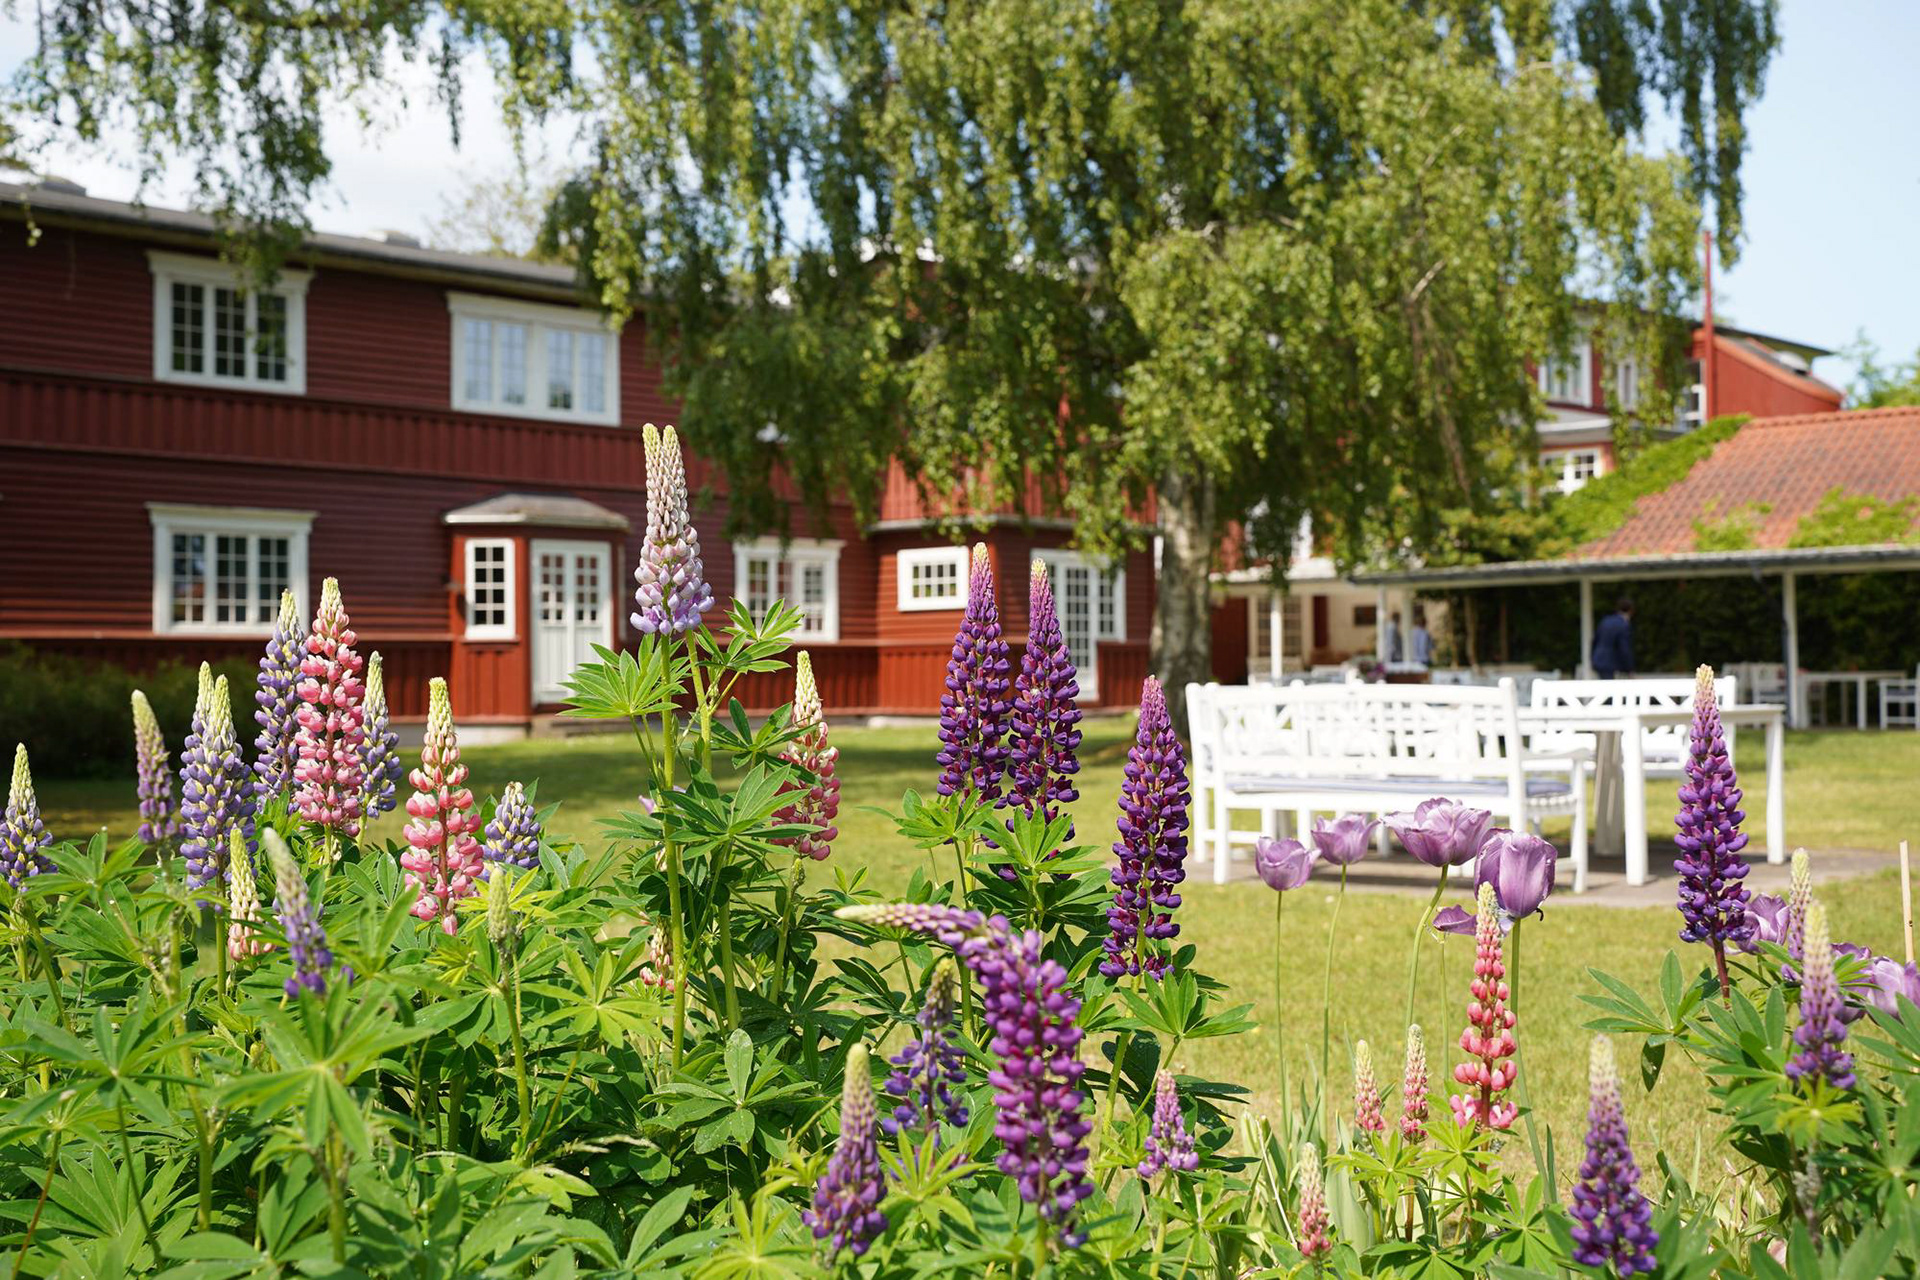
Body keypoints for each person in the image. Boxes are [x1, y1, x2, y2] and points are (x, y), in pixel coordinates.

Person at [1592, 597, 1635, 679]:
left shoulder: (1605, 621)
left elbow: (1595, 641)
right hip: (1611, 663)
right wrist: (1629, 668)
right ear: (1631, 611)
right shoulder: (1623, 625)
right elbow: (1624, 648)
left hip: (1598, 659)